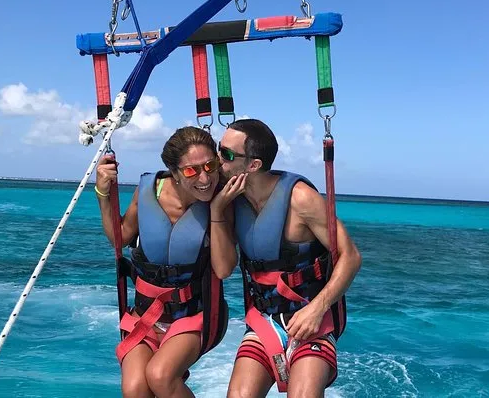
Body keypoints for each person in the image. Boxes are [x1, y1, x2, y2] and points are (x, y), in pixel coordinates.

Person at [214, 119, 362, 398]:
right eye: (218, 148)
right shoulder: (231, 199)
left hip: (311, 319)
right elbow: (222, 270)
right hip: (265, 321)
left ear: (253, 165)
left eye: (227, 154)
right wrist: (217, 210)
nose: (218, 158)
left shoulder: (301, 199)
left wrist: (317, 309)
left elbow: (351, 256)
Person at [95, 126, 246, 398]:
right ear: (174, 173)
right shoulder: (148, 192)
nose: (204, 178)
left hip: (197, 316)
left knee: (160, 376)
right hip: (146, 315)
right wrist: (103, 195)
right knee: (134, 389)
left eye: (210, 166)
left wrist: (216, 211)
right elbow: (120, 238)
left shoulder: (222, 200)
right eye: (191, 171)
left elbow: (224, 269)